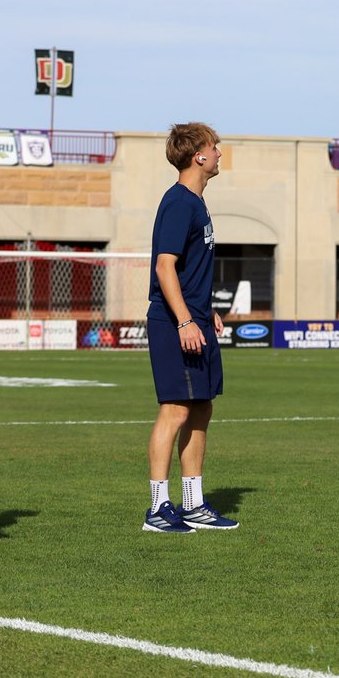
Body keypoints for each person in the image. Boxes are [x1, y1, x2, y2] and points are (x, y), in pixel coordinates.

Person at [142, 123, 238, 533]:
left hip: (196, 319)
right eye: (214, 147)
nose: (219, 152)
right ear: (198, 156)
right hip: (173, 323)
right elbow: (165, 266)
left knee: (201, 407)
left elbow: (189, 270)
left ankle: (193, 503)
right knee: (176, 409)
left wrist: (205, 311)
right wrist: (184, 319)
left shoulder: (197, 202)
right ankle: (157, 508)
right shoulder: (180, 201)